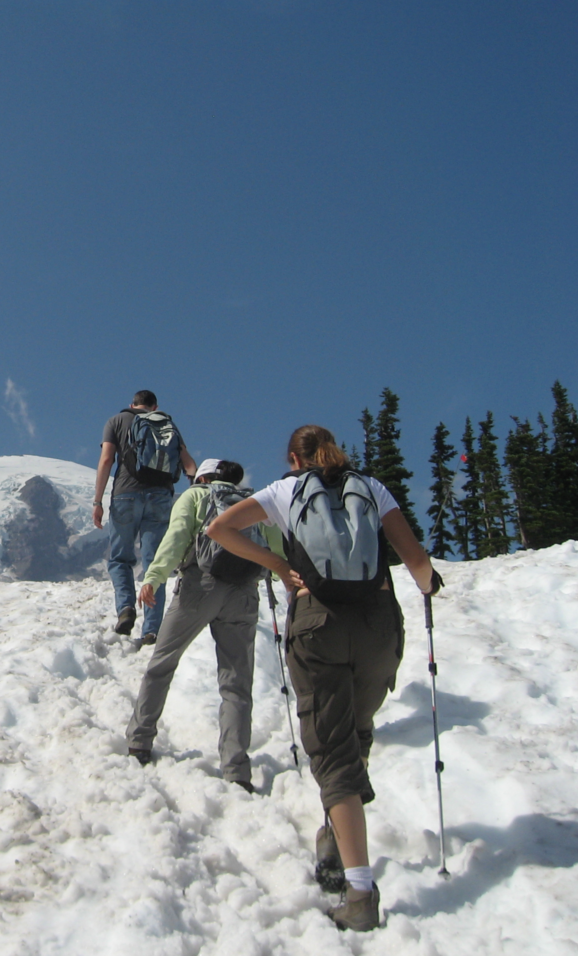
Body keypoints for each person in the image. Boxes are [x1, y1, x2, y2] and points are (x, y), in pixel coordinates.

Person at [205, 425, 438, 933]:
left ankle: (358, 891)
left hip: (318, 623)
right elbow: (417, 561)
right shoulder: (371, 488)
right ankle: (337, 829)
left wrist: (276, 564)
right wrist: (428, 585)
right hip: (378, 625)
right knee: (355, 732)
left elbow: (219, 529)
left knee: (331, 750)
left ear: (294, 458)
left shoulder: (286, 489)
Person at [124, 459, 271, 792]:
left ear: (203, 477)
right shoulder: (251, 502)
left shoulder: (195, 497)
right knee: (236, 684)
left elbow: (176, 537)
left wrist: (154, 577)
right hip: (244, 593)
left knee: (161, 664)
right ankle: (236, 770)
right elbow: (271, 544)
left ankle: (139, 741)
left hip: (199, 588)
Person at [92, 391, 196, 641]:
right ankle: (151, 630)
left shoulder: (116, 421)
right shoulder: (168, 424)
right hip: (160, 497)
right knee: (154, 564)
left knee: (120, 559)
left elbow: (107, 460)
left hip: (125, 495)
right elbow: (188, 463)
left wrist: (97, 501)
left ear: (132, 405)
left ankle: (126, 608)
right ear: (154, 407)